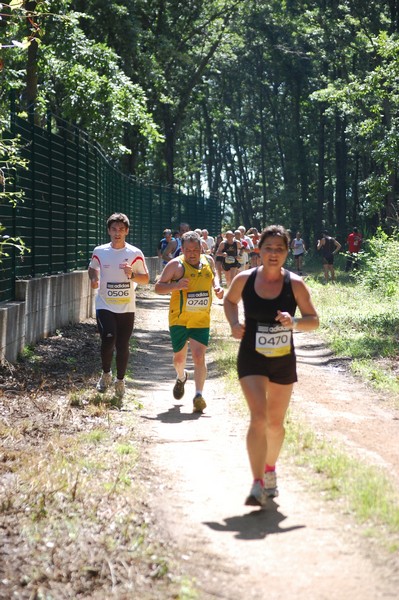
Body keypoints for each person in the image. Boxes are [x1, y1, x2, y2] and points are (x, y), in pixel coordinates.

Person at [223, 225, 319, 507]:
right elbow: (229, 301)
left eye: (279, 249)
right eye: (268, 248)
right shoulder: (244, 279)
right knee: (258, 417)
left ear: (288, 253)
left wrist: (295, 322)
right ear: (259, 250)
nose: (274, 254)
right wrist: (233, 324)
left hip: (282, 360)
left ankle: (269, 470)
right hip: (251, 356)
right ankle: (256, 484)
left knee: (275, 424)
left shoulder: (296, 284)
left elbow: (314, 320)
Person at [155, 231, 224, 412]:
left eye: (195, 249)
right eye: (187, 250)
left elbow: (214, 275)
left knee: (199, 356)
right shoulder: (175, 265)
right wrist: (175, 286)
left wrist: (216, 286)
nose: (192, 253)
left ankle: (198, 395)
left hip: (201, 318)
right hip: (179, 318)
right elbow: (158, 287)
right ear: (182, 249)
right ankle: (181, 376)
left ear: (201, 248)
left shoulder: (208, 261)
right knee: (179, 359)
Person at [88, 213, 150, 398]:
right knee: (108, 339)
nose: (117, 233)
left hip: (126, 307)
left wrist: (132, 275)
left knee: (122, 344)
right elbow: (92, 268)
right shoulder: (100, 251)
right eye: (114, 229)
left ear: (127, 231)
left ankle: (120, 381)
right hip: (105, 304)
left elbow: (146, 279)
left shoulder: (134, 253)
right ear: (108, 230)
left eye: (121, 230)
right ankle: (106, 374)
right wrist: (94, 278)